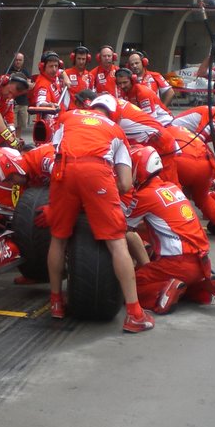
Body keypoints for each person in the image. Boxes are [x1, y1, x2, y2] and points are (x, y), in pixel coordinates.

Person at [47, 94, 155, 333]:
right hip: (96, 172)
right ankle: (135, 313)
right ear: (113, 114)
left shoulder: (67, 117)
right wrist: (97, 197)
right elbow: (125, 184)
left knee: (58, 238)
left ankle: (55, 301)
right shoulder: (116, 130)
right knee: (117, 243)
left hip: (62, 170)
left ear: (91, 106)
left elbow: (55, 150)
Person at [124, 146, 215, 313]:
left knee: (128, 285)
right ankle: (203, 286)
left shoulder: (144, 196)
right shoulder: (172, 187)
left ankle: (162, 292)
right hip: (202, 262)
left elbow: (121, 227)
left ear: (139, 168)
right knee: (183, 281)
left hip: (176, 263)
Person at [8, 52, 31, 131]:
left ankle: (18, 141)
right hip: (13, 102)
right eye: (16, 60)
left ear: (23, 61)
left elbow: (29, 85)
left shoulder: (26, 72)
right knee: (12, 125)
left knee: (21, 125)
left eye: (20, 60)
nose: (18, 62)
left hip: (23, 102)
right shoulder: (9, 71)